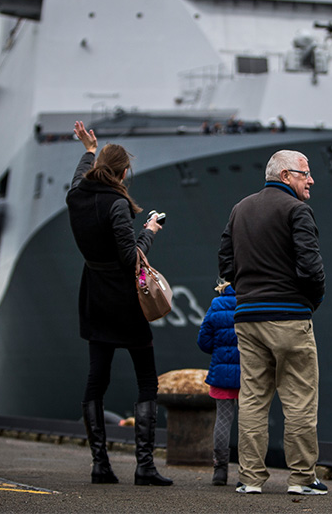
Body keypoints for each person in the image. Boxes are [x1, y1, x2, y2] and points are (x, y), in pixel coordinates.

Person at [66, 120, 172, 487]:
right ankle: (144, 466)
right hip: (125, 301)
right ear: (124, 172)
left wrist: (88, 150)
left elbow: (81, 175)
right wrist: (150, 231)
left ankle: (100, 465)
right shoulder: (117, 206)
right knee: (147, 380)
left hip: (94, 294)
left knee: (97, 379)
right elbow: (131, 259)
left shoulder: (76, 195)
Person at [218, 149, 327, 495]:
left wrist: (246, 292)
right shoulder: (297, 211)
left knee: (252, 398)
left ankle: (250, 479)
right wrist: (310, 302)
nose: (310, 180)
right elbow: (311, 267)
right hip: (289, 318)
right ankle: (302, 478)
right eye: (304, 173)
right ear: (285, 176)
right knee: (299, 400)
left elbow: (225, 262)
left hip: (247, 320)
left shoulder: (240, 209)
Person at [196, 281, 240, 486]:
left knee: (223, 418)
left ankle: (220, 471)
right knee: (252, 419)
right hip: (250, 372)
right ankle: (251, 470)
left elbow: (203, 340)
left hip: (221, 370)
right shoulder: (251, 301)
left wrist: (220, 350)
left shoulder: (217, 304)